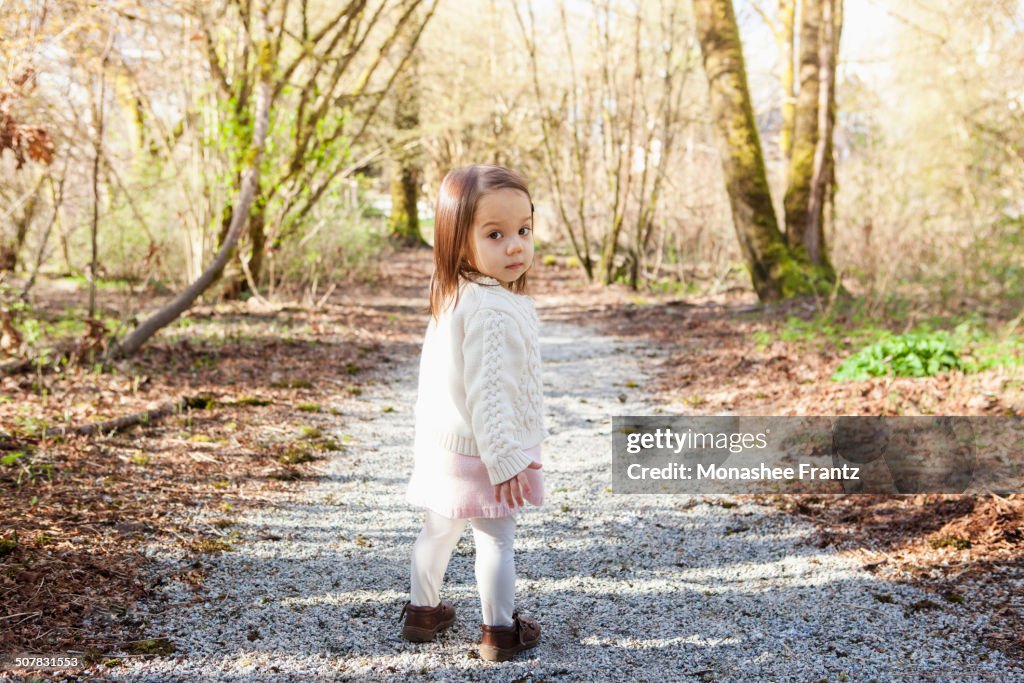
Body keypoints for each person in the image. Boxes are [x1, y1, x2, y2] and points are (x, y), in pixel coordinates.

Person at [401, 164, 546, 662]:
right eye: (495, 234)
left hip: (447, 447)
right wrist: (504, 458)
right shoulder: (490, 309)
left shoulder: (452, 294)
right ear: (457, 241)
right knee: (496, 540)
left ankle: (423, 611)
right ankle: (499, 632)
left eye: (524, 230)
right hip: (488, 451)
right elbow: (489, 393)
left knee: (439, 529)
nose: (515, 246)